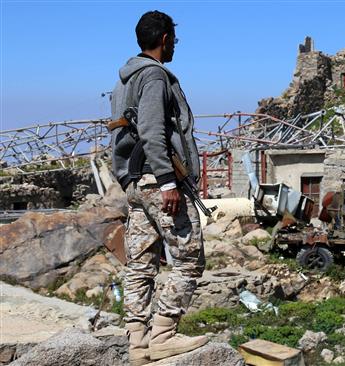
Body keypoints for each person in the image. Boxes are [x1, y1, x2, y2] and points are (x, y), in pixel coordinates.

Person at [110, 10, 206, 365]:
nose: (175, 47)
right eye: (174, 41)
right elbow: (151, 131)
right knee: (189, 259)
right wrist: (167, 181)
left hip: (137, 183)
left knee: (140, 262)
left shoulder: (124, 78)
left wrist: (126, 179)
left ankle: (137, 343)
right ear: (164, 39)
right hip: (158, 181)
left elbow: (119, 133)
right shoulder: (153, 76)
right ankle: (164, 334)